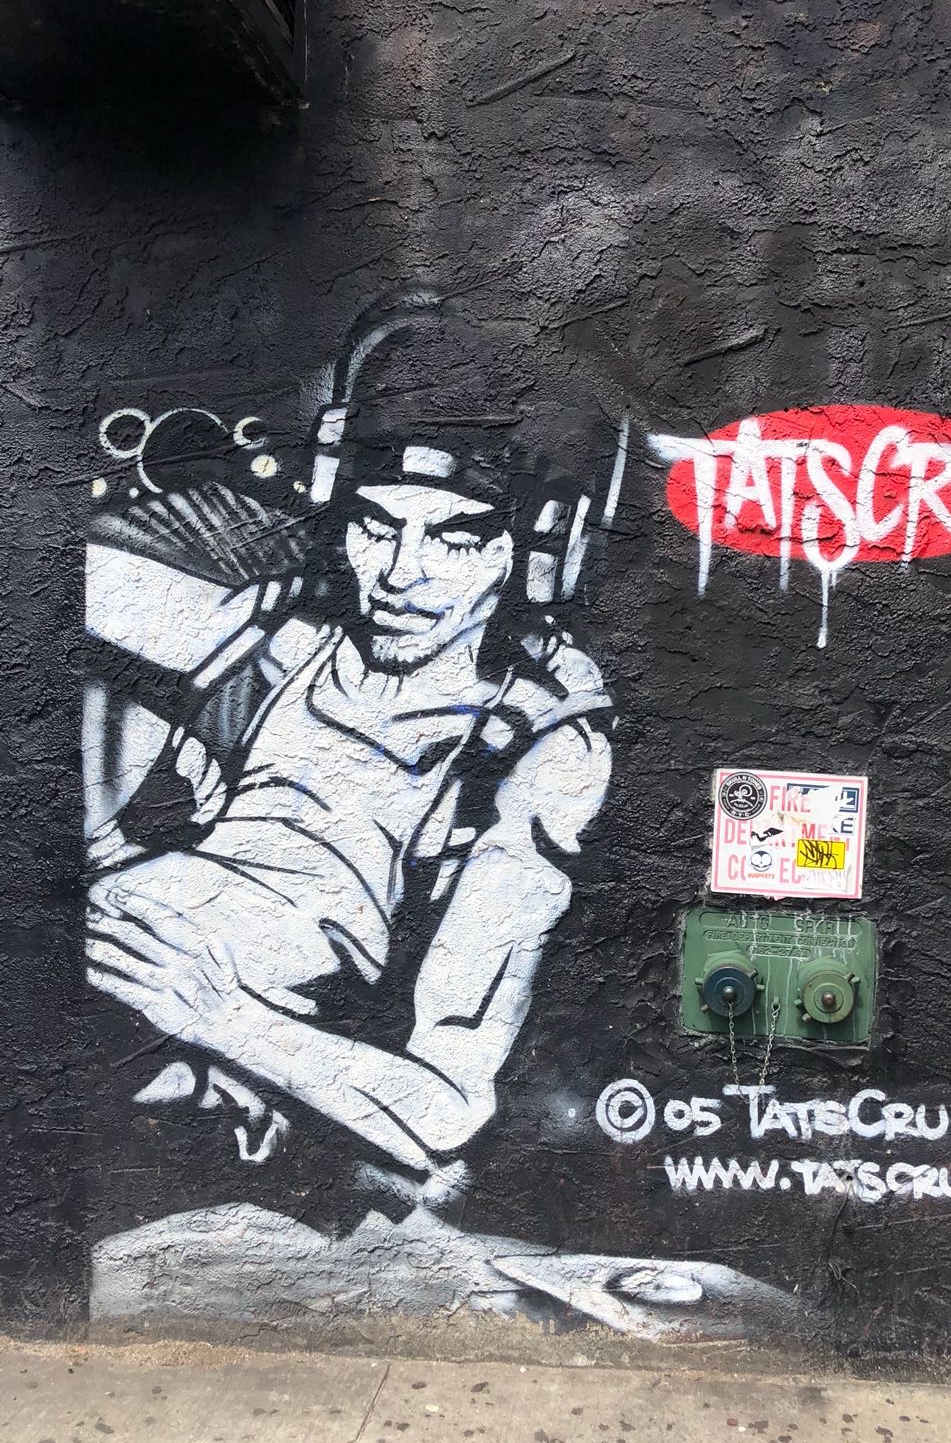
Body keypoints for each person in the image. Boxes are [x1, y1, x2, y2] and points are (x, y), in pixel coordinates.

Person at [86, 297, 614, 1224]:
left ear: (538, 552)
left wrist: (218, 1015)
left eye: (456, 536)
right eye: (377, 525)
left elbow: (443, 1109)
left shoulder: (537, 748)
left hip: (206, 1054)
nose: (401, 574)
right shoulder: (273, 642)